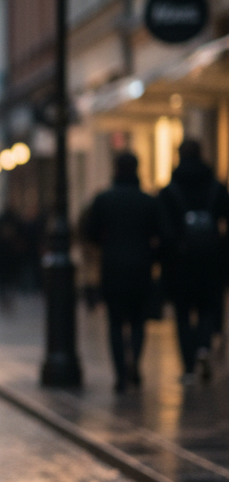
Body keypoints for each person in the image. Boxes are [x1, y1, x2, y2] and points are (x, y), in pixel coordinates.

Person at [85, 152, 159, 392]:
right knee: (138, 321)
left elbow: (90, 231)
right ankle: (134, 363)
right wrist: (151, 255)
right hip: (140, 267)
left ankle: (120, 374)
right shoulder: (147, 201)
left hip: (113, 268)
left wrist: (107, 246)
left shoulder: (104, 200)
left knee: (116, 323)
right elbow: (161, 233)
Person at [157, 139, 229, 382]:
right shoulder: (216, 188)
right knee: (208, 308)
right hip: (211, 259)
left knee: (183, 313)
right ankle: (203, 348)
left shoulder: (170, 191)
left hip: (181, 261)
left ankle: (188, 366)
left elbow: (164, 232)